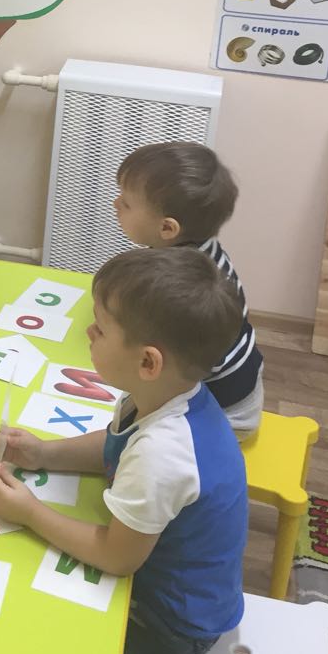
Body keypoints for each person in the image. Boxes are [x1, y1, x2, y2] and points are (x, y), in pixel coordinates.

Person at [0, 246, 247, 654]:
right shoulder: (165, 396)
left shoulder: (164, 452)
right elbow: (116, 445)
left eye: (101, 330)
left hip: (170, 623)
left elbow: (116, 556)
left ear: (147, 361)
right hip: (162, 580)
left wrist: (27, 512)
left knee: (25, 643)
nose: (88, 332)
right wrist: (43, 452)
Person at [113, 140, 262, 437]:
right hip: (238, 386)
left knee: (125, 430)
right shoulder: (197, 248)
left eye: (126, 203)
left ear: (168, 228)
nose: (115, 204)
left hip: (225, 414)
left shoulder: (178, 283)